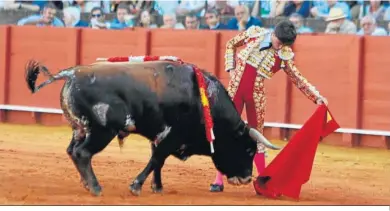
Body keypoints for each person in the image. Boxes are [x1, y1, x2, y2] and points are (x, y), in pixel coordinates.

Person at [209, 20, 328, 192]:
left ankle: (262, 181)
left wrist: (316, 97)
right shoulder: (254, 34)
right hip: (234, 92)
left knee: (257, 137)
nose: (280, 47)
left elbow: (297, 78)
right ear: (273, 34)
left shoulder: (284, 55)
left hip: (255, 97)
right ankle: (218, 180)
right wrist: (231, 69)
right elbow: (230, 45)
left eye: (284, 45)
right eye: (279, 42)